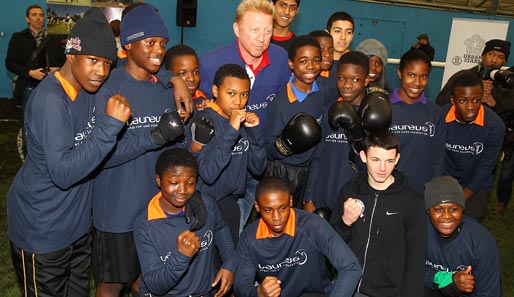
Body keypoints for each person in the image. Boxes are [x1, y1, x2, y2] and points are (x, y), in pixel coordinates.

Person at [7, 8, 131, 297]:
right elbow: (64, 173)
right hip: (42, 231)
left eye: (107, 63)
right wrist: (109, 126)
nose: (101, 71)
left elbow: (134, 72)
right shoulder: (51, 100)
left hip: (76, 229)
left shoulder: (92, 89)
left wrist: (172, 82)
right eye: (93, 61)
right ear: (71, 55)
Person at [91, 5, 189, 297]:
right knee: (112, 284)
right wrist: (154, 136)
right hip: (118, 210)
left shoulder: (164, 88)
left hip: (156, 209)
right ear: (128, 44)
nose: (159, 50)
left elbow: (174, 150)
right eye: (150, 43)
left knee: (147, 279)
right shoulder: (109, 89)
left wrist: (175, 78)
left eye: (162, 43)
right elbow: (101, 156)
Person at [199, 0, 290, 234]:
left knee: (238, 235)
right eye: (254, 30)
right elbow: (188, 92)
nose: (261, 38)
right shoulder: (210, 63)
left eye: (268, 31)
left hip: (258, 160)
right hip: (223, 165)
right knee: (214, 236)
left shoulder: (280, 60)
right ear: (237, 29)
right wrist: (178, 83)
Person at [331, 130, 427, 297]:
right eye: (375, 160)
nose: (382, 168)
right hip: (348, 288)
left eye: (389, 161)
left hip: (389, 292)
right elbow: (332, 245)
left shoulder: (412, 201)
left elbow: (416, 259)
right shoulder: (350, 190)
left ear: (397, 159)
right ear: (363, 156)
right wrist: (345, 223)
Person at [235, 176, 361, 297]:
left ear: (290, 201)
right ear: (257, 207)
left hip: (318, 294)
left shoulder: (312, 225)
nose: (277, 218)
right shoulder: (249, 237)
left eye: (282, 208)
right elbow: (241, 285)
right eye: (268, 210)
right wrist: (258, 293)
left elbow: (350, 267)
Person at [133, 148, 236, 297]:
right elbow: (155, 286)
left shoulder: (207, 205)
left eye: (190, 183)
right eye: (174, 182)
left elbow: (221, 227)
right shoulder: (146, 224)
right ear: (158, 180)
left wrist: (229, 264)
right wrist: (181, 256)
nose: (182, 190)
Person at [186, 63, 267, 246]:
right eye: (231, 93)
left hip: (235, 204)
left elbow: (259, 168)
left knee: (229, 263)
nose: (238, 101)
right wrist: (231, 130)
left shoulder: (243, 122)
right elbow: (208, 173)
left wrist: (254, 134)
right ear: (215, 90)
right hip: (208, 204)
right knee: (210, 264)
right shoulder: (204, 120)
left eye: (244, 95)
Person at [436, 39, 514, 215]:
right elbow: (441, 101)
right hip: (449, 168)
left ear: (504, 61)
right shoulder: (463, 76)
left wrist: (494, 102)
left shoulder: (506, 83)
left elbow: (508, 114)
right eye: (491, 54)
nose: (494, 60)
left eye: (500, 57)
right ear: (483, 56)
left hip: (479, 164)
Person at [264, 35, 338, 209]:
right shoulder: (281, 103)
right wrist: (288, 144)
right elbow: (268, 149)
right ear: (291, 64)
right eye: (303, 61)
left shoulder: (324, 87)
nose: (311, 66)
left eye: (316, 60)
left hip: (313, 169)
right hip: (284, 171)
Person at [304, 51, 370, 213]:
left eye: (355, 79)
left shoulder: (372, 115)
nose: (347, 85)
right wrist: (309, 196)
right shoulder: (329, 110)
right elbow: (318, 155)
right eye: (342, 78)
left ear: (366, 80)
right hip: (324, 194)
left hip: (356, 199)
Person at [441, 70, 504, 221]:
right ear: (452, 100)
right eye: (463, 101)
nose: (470, 107)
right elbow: (435, 157)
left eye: (476, 100)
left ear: (482, 98)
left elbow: (486, 167)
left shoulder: (495, 125)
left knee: (470, 221)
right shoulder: (440, 118)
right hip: (444, 179)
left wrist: (461, 198)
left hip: (476, 185)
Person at [423, 176, 502, 297]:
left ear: (462, 209)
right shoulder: (418, 230)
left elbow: (489, 292)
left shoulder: (481, 242)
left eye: (453, 209)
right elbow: (409, 272)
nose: (447, 216)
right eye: (438, 209)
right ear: (428, 211)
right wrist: (448, 279)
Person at [5, 4, 66, 156]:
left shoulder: (53, 38)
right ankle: (29, 156)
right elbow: (10, 63)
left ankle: (50, 155)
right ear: (27, 18)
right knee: (30, 124)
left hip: (52, 87)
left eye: (40, 14)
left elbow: (64, 60)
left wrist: (57, 69)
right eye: (34, 15)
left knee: (52, 122)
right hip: (29, 87)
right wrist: (29, 72)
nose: (38, 18)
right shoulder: (18, 38)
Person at [389, 50, 446, 194]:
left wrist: (434, 190)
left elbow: (438, 157)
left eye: (423, 77)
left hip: (422, 190)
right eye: (411, 75)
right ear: (400, 73)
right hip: (388, 189)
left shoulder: (435, 113)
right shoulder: (384, 107)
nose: (417, 83)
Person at [164, 44, 206, 110]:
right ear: (168, 73)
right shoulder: (160, 99)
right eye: (183, 73)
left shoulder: (200, 97)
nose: (191, 78)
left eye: (196, 72)